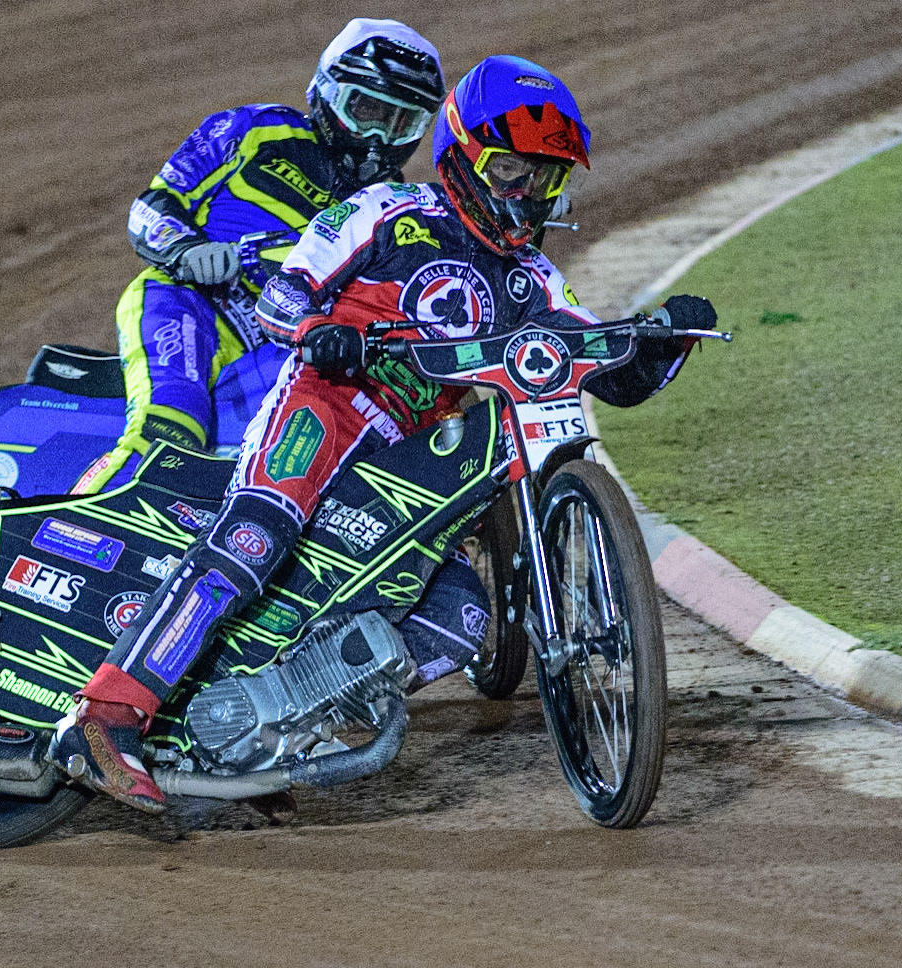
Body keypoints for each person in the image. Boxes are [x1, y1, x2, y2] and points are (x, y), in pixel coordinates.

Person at [53, 55, 718, 812]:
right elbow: (282, 294)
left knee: (461, 617)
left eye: (545, 177)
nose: (525, 194)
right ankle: (105, 716)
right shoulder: (387, 211)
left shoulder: (533, 279)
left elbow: (608, 374)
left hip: (416, 455)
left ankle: (262, 728)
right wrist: (319, 331)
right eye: (509, 170)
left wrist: (665, 341)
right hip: (327, 405)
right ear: (463, 157)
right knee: (252, 539)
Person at [70, 18, 445, 493]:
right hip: (193, 307)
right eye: (367, 110)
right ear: (328, 92)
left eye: (402, 123)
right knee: (169, 431)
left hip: (289, 347)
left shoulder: (399, 208)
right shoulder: (255, 130)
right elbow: (152, 207)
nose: (380, 139)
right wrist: (189, 250)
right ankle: (64, 530)